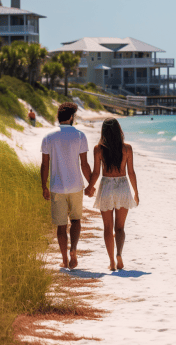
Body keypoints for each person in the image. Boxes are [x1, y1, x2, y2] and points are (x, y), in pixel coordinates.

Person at [40, 102, 94, 269]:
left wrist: (44, 186)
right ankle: (74, 250)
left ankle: (64, 259)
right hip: (76, 186)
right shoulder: (79, 136)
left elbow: (45, 165)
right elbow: (84, 165)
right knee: (76, 220)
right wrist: (91, 184)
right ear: (71, 117)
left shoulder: (48, 136)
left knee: (61, 225)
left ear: (59, 116)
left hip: (57, 187)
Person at [85, 118, 139, 271]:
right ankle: (119, 254)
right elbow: (131, 172)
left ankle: (112, 262)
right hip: (122, 186)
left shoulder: (98, 149)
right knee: (120, 228)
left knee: (108, 228)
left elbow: (96, 173)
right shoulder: (127, 148)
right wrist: (136, 192)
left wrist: (90, 187)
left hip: (107, 186)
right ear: (119, 130)